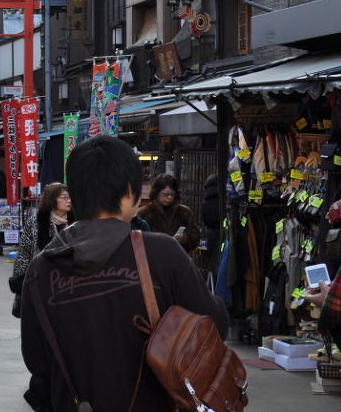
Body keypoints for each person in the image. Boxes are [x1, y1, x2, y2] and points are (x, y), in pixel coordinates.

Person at [20, 135, 228, 411]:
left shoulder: (40, 268)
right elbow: (216, 327)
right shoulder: (162, 253)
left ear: (75, 193)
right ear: (130, 192)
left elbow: (36, 361)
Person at [9, 182, 74, 316]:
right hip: (42, 282)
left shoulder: (76, 223)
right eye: (63, 197)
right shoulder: (36, 222)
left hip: (70, 284)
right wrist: (20, 283)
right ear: (52, 200)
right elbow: (24, 253)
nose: (69, 200)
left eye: (69, 197)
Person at [137, 173, 201, 254]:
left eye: (172, 194)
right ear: (156, 193)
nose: (169, 197)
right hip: (153, 260)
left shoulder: (184, 212)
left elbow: (195, 237)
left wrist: (184, 238)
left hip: (178, 259)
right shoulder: (144, 213)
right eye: (166, 194)